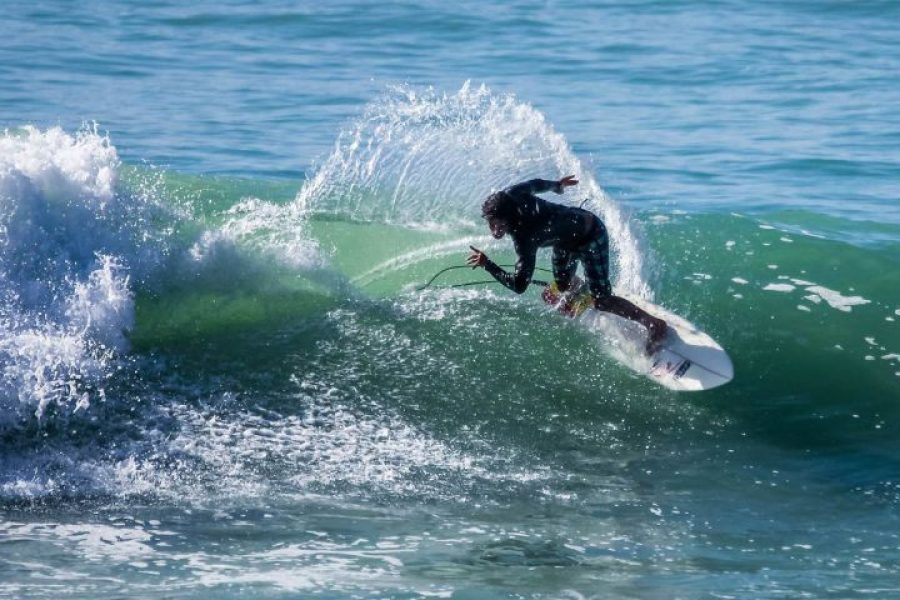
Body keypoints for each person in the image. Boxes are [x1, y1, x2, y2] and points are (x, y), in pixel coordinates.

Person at [467, 175, 668, 352]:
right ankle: (580, 288)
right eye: (490, 222)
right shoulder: (511, 195)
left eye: (497, 223)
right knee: (562, 287)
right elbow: (535, 184)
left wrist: (488, 264)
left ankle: (653, 324)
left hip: (590, 235)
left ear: (509, 218)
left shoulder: (524, 237)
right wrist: (557, 185)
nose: (493, 229)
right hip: (564, 243)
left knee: (601, 301)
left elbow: (519, 285)